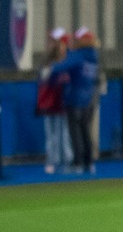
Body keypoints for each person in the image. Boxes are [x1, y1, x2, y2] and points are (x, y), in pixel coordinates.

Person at [63, 27, 102, 176]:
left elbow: (62, 66)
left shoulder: (79, 55)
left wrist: (50, 69)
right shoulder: (94, 55)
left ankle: (78, 163)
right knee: (86, 130)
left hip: (76, 98)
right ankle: (89, 162)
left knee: (76, 132)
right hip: (89, 99)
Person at [35, 28, 70, 175]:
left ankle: (67, 162)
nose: (50, 44)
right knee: (52, 135)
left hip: (64, 101)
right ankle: (52, 161)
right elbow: (43, 80)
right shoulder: (46, 60)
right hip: (50, 102)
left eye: (53, 41)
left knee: (64, 134)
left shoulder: (69, 59)